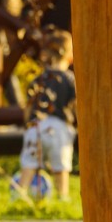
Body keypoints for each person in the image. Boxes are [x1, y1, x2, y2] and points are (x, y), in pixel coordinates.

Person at [17, 30, 77, 203]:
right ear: (69, 56)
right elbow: (76, 105)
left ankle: (19, 195)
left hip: (36, 126)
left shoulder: (39, 79)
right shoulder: (69, 79)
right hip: (59, 128)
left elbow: (28, 108)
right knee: (61, 167)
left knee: (29, 164)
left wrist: (27, 125)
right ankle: (62, 198)